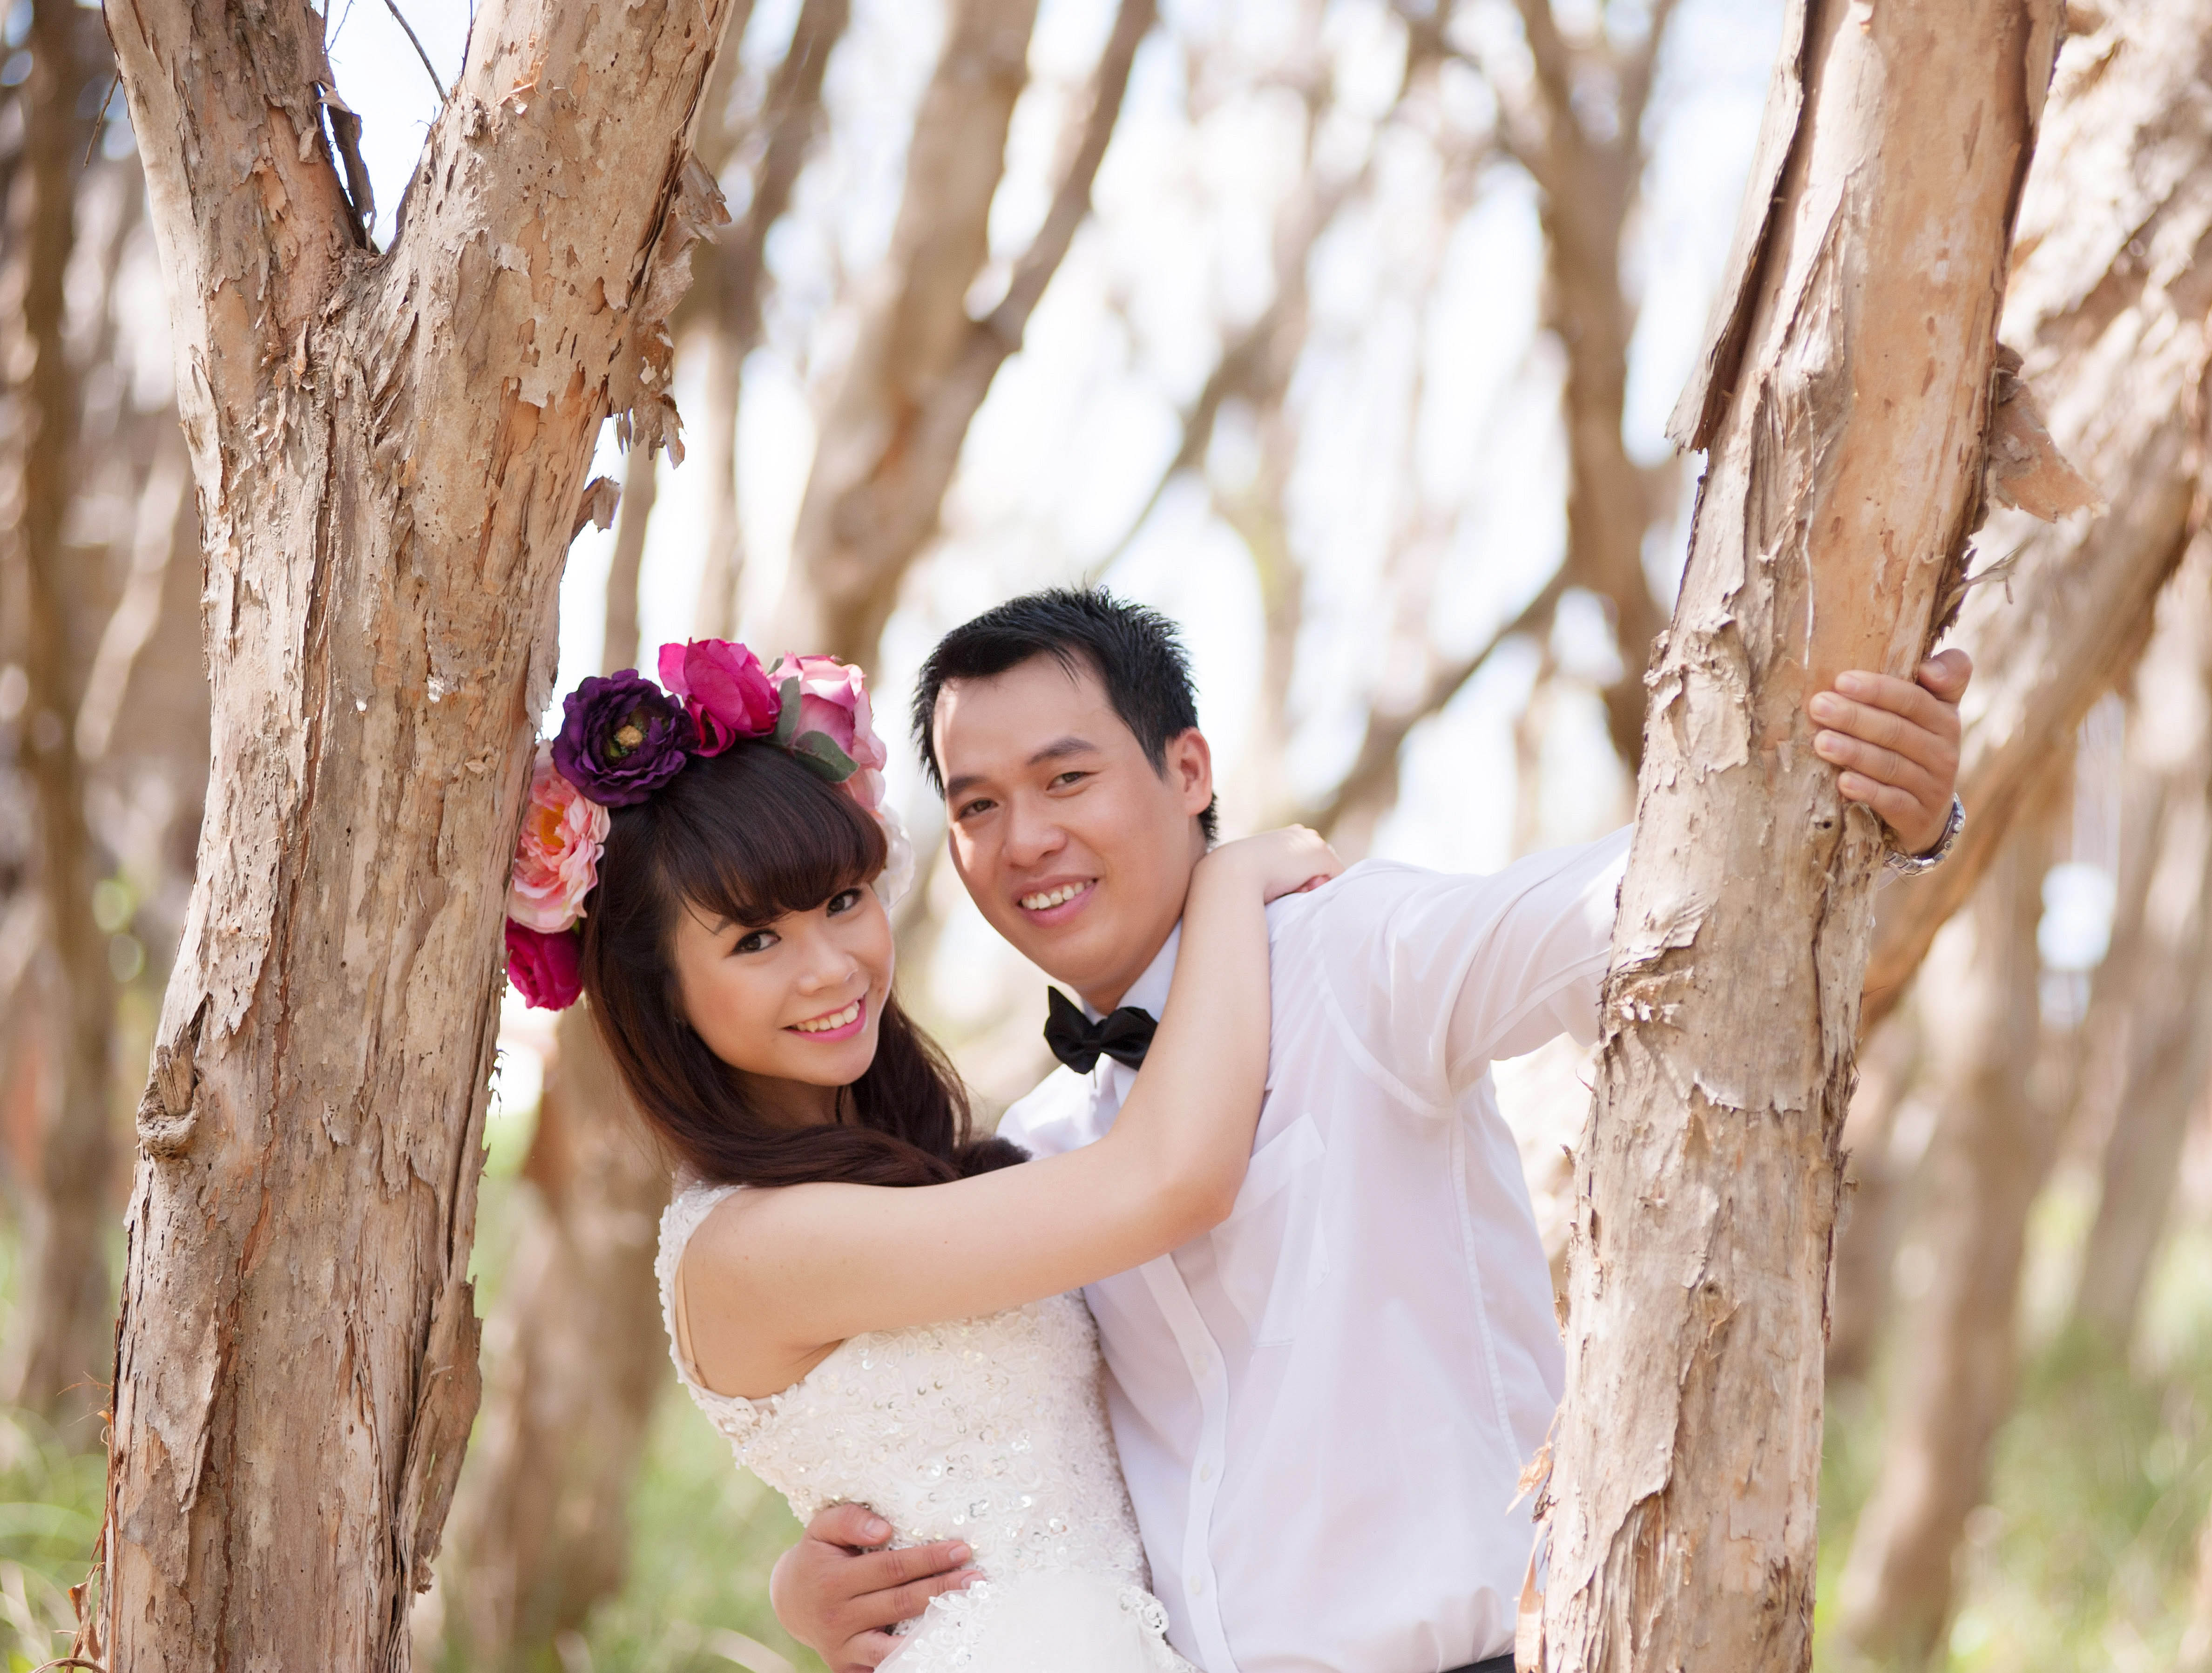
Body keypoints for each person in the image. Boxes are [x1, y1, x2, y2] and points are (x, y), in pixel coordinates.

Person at [769, 589, 1969, 1673]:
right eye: (978, 805)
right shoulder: (1040, 1143)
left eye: (1066, 780)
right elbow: (996, 1439)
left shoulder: (1355, 952)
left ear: (1188, 770)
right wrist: (817, 1586)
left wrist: (1896, 818)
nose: (1024, 839)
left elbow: (1628, 908)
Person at [499, 638, 1340, 1673]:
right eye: (754, 940)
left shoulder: (917, 1170)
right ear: (662, 992)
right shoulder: (754, 1243)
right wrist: (1229, 884)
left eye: (842, 902)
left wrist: (802, 1585)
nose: (830, 968)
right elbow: (1174, 1181)